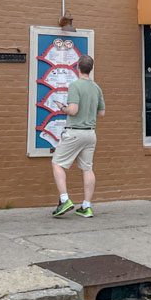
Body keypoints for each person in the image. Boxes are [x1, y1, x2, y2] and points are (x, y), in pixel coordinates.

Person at [50, 54, 105, 218]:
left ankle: (64, 199)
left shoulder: (75, 85)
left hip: (75, 132)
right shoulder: (96, 87)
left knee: (57, 163)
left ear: (77, 67)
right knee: (87, 168)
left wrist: (62, 108)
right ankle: (86, 207)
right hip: (90, 133)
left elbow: (73, 110)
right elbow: (101, 113)